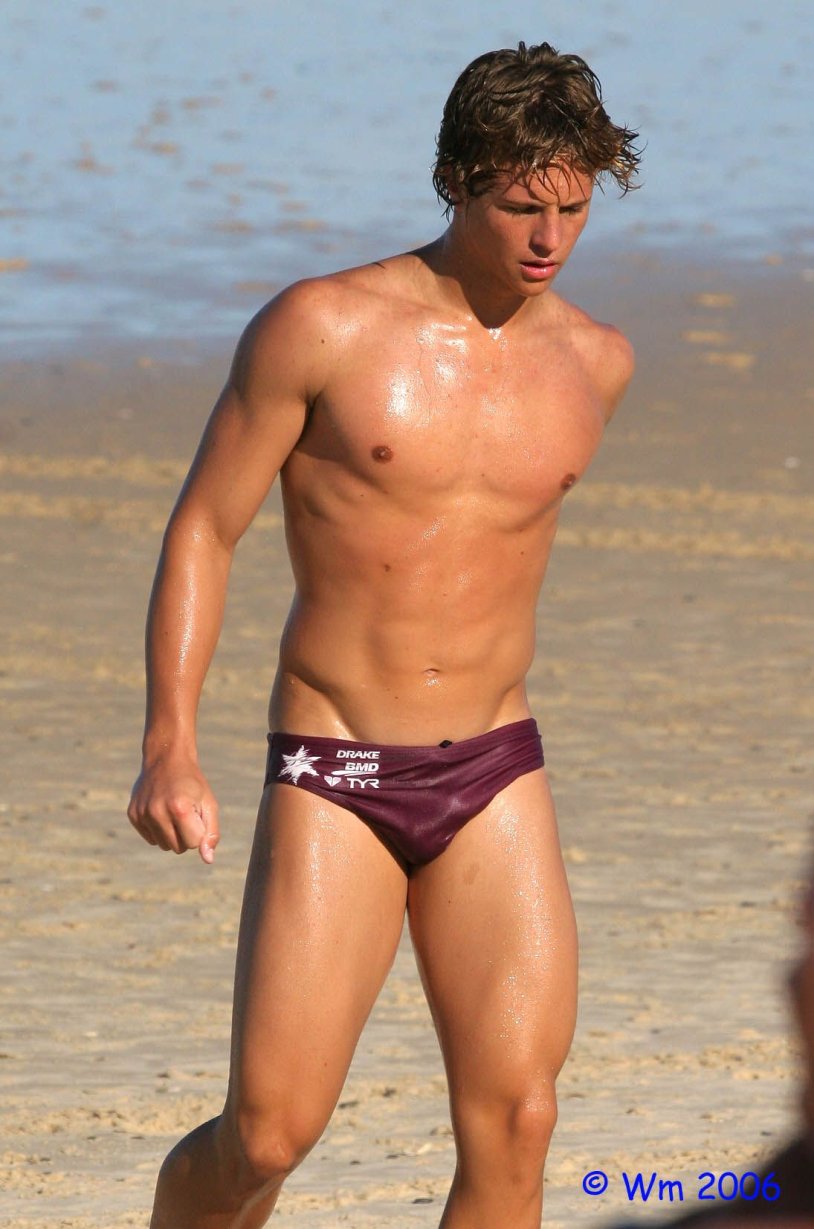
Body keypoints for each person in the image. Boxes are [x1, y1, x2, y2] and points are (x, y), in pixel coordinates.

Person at [127, 40, 641, 1229]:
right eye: (519, 204)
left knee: (518, 1118)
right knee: (268, 1131)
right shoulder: (323, 328)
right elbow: (205, 528)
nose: (547, 239)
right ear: (456, 180)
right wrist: (171, 741)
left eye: (570, 209)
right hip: (340, 763)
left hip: (497, 764)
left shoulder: (595, 363)